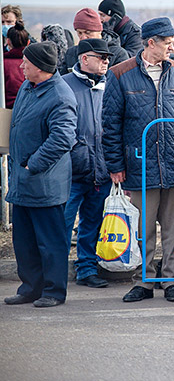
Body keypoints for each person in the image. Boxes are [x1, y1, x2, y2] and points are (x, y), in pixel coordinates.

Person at [102, 17, 174, 304]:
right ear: (151, 43)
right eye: (167, 42)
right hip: (139, 165)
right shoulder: (120, 74)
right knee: (143, 230)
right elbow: (111, 124)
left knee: (172, 229)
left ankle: (171, 280)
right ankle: (145, 282)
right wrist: (115, 165)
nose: (172, 46)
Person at [4, 42, 77, 307]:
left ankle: (53, 291)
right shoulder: (28, 87)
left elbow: (63, 138)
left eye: (26, 63)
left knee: (50, 243)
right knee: (24, 242)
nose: (21, 66)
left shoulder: (60, 95)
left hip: (45, 184)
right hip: (22, 182)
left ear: (40, 67)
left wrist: (33, 164)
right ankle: (30, 288)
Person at [62, 39, 115, 289]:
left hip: (101, 170)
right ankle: (54, 272)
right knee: (60, 225)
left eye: (108, 57)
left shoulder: (111, 85)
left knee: (92, 224)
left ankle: (86, 269)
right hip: (70, 171)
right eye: (100, 57)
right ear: (84, 59)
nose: (106, 61)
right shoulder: (63, 85)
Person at [59, 8, 129, 75]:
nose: (83, 37)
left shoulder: (118, 54)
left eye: (88, 32)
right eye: (79, 33)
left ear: (99, 31)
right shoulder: (71, 53)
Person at [3, 21, 30, 108]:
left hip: (5, 111)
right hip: (29, 110)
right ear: (28, 42)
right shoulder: (35, 64)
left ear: (8, 41)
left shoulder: (3, 64)